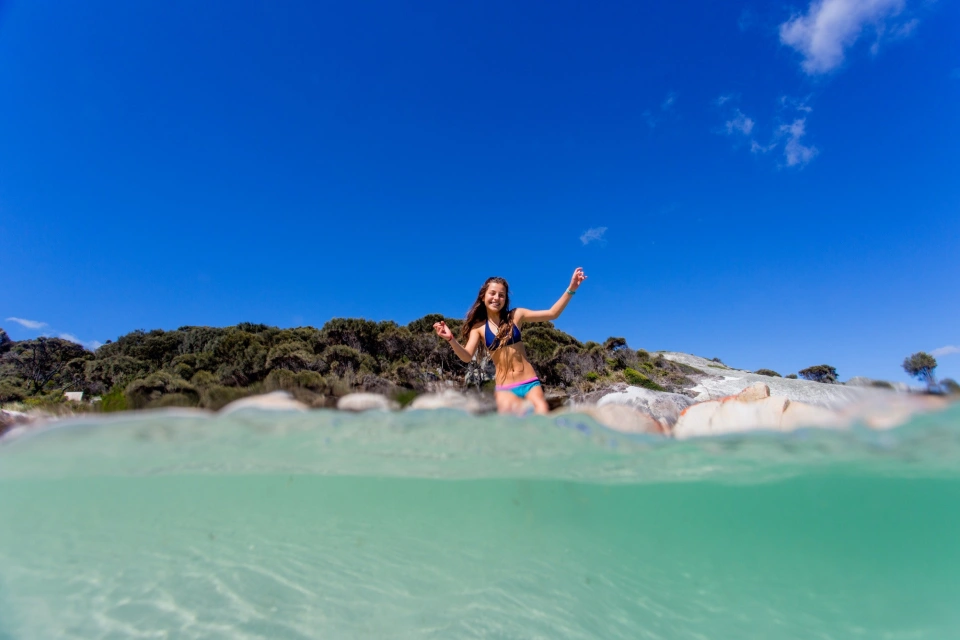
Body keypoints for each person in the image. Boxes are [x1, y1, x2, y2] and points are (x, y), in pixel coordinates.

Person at [433, 268, 587, 415]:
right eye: (492, 293)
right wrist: (451, 339)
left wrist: (571, 288)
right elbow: (466, 356)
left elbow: (552, 313)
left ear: (505, 298)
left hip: (529, 383)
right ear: (483, 296)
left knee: (541, 418)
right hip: (505, 388)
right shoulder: (478, 328)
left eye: (501, 295)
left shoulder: (516, 315)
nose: (496, 298)